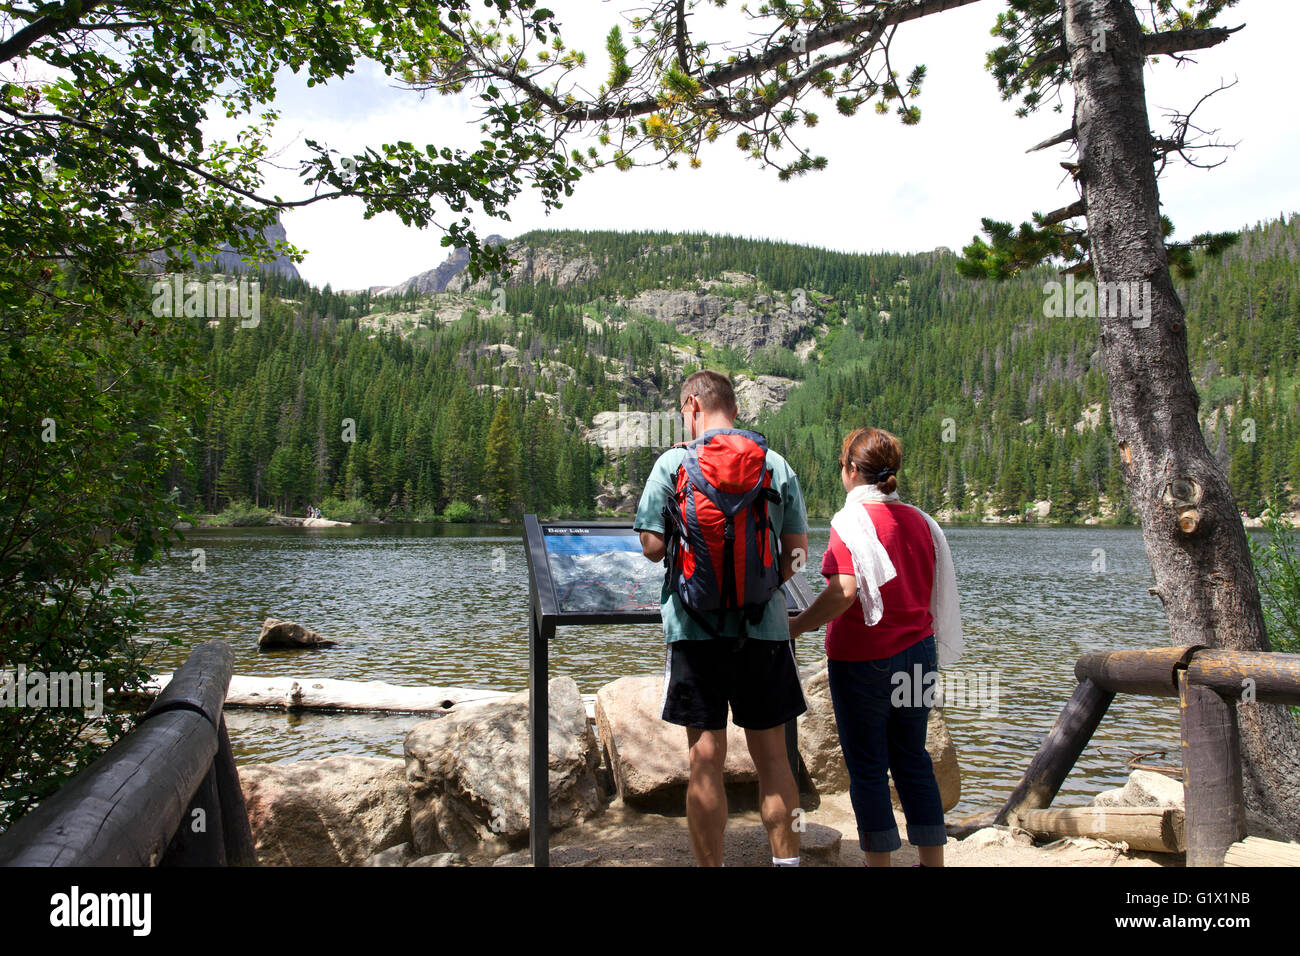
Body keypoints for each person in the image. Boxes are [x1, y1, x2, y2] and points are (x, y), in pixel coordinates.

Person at [634, 370, 810, 867]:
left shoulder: (673, 462)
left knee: (705, 760)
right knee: (774, 760)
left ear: (692, 404)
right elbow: (797, 555)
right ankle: (787, 864)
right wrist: (763, 590)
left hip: (695, 631)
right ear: (731, 406)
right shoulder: (775, 465)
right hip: (766, 633)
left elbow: (651, 548)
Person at [789, 426, 963, 867]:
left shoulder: (850, 521)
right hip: (921, 654)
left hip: (864, 660)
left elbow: (843, 592)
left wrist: (798, 626)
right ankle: (932, 863)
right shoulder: (922, 521)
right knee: (913, 759)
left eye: (842, 464)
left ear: (850, 470)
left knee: (868, 767)